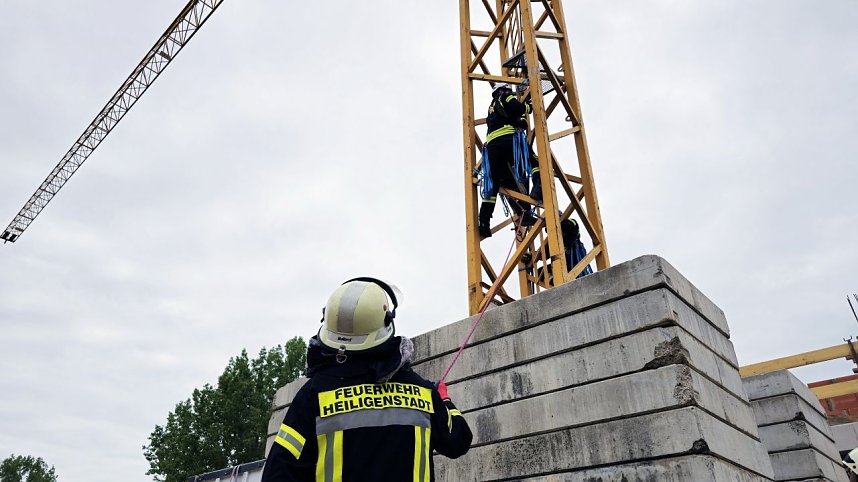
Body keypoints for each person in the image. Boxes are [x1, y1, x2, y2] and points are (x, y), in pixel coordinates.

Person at [261, 277, 472, 482]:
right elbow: (458, 441)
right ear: (387, 321)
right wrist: (445, 401)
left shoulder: (314, 394)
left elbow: (278, 472)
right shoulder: (423, 392)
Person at [479, 83, 541, 238]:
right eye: (506, 89)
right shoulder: (506, 97)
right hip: (508, 140)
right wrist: (528, 108)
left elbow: (508, 119)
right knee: (532, 161)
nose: (509, 91)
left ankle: (484, 221)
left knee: (495, 183)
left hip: (493, 147)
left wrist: (518, 121)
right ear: (501, 91)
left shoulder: (491, 110)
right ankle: (538, 188)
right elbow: (518, 109)